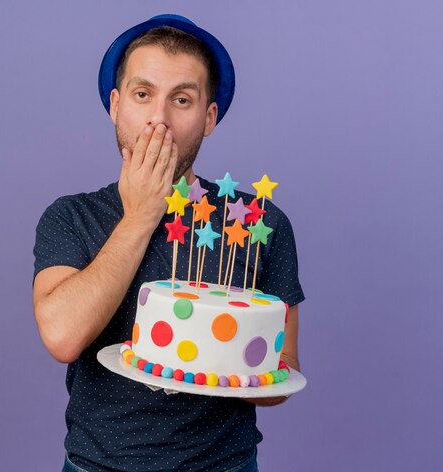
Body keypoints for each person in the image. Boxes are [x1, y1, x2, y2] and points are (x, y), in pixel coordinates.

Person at [33, 14, 304, 472]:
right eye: (143, 95)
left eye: (182, 99)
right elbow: (62, 337)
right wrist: (141, 214)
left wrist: (221, 359)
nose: (159, 117)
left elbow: (282, 373)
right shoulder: (70, 217)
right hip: (98, 465)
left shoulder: (259, 223)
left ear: (209, 117)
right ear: (116, 105)